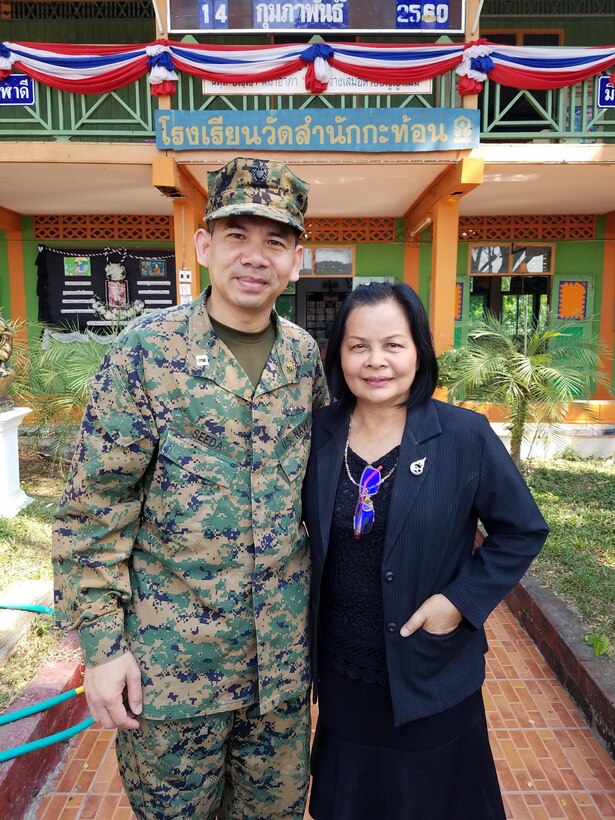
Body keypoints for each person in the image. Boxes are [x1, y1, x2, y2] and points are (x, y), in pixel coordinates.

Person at [52, 156, 328, 820]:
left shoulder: (302, 358)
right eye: (237, 235)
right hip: (173, 678)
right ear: (204, 245)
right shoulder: (145, 352)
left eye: (276, 240)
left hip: (281, 678)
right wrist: (103, 650)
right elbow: (95, 511)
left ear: (297, 258)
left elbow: (322, 498)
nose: (254, 256)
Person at [302, 281, 549, 820]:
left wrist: (460, 600)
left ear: (419, 351)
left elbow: (522, 530)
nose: (376, 361)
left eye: (393, 344)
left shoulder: (463, 435)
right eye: (358, 345)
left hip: (432, 677)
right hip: (345, 681)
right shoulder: (317, 435)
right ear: (338, 354)